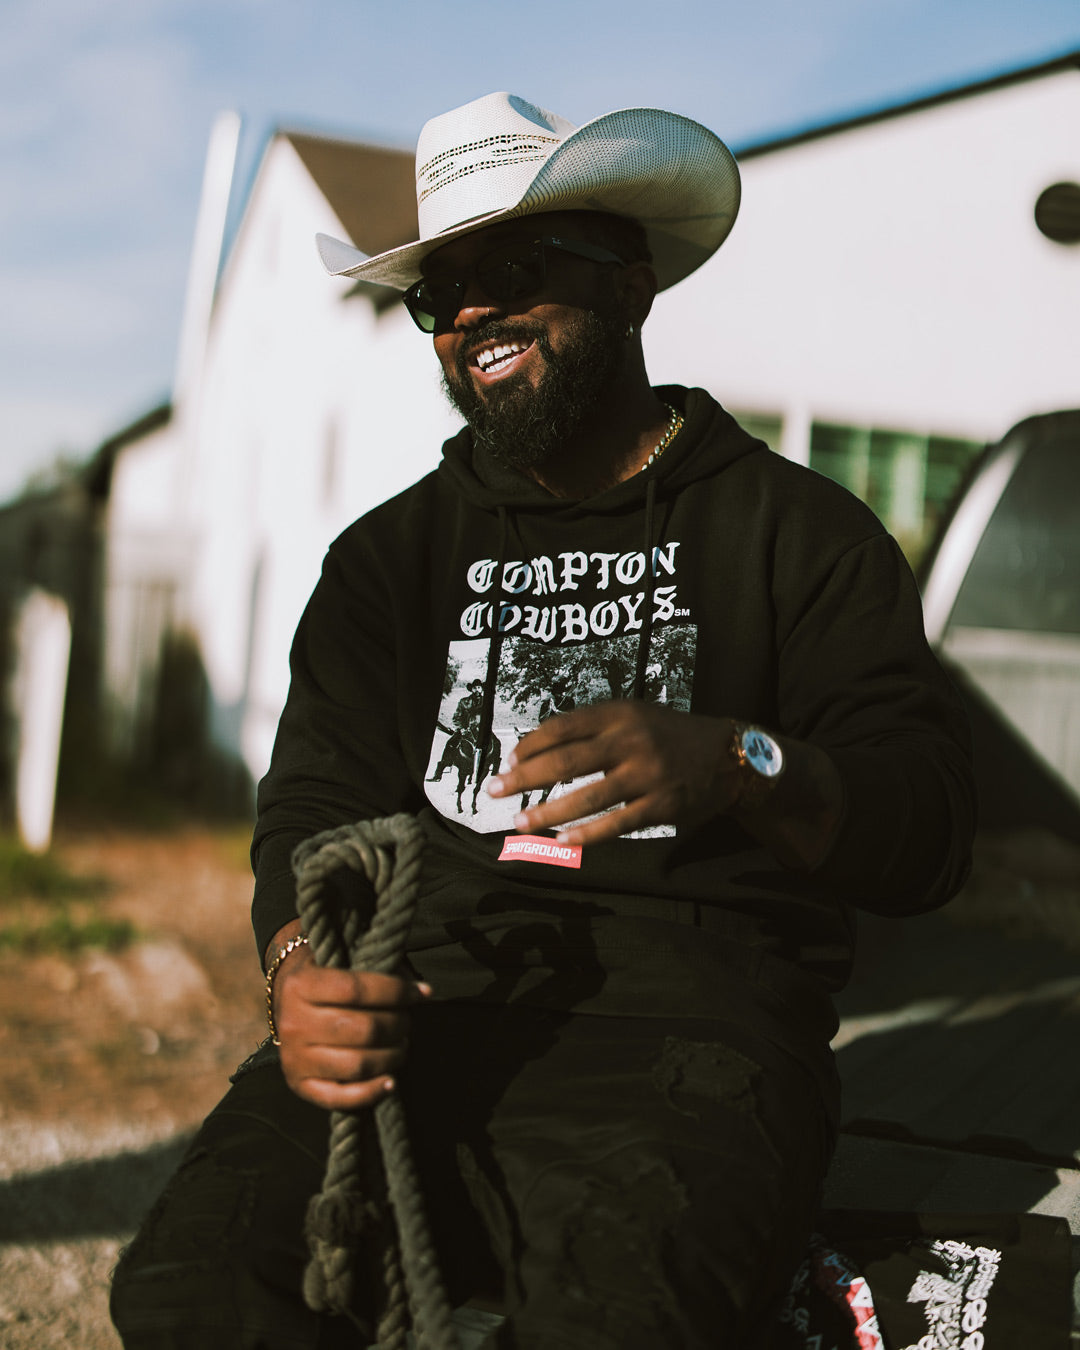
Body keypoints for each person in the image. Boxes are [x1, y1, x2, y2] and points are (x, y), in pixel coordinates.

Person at [111, 91, 975, 1349]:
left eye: (512, 271)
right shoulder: (386, 563)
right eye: (439, 293)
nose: (469, 313)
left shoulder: (800, 536)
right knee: (189, 1295)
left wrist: (738, 762)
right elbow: (313, 809)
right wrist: (298, 971)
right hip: (426, 1013)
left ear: (629, 283)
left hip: (695, 1041)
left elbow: (928, 831)